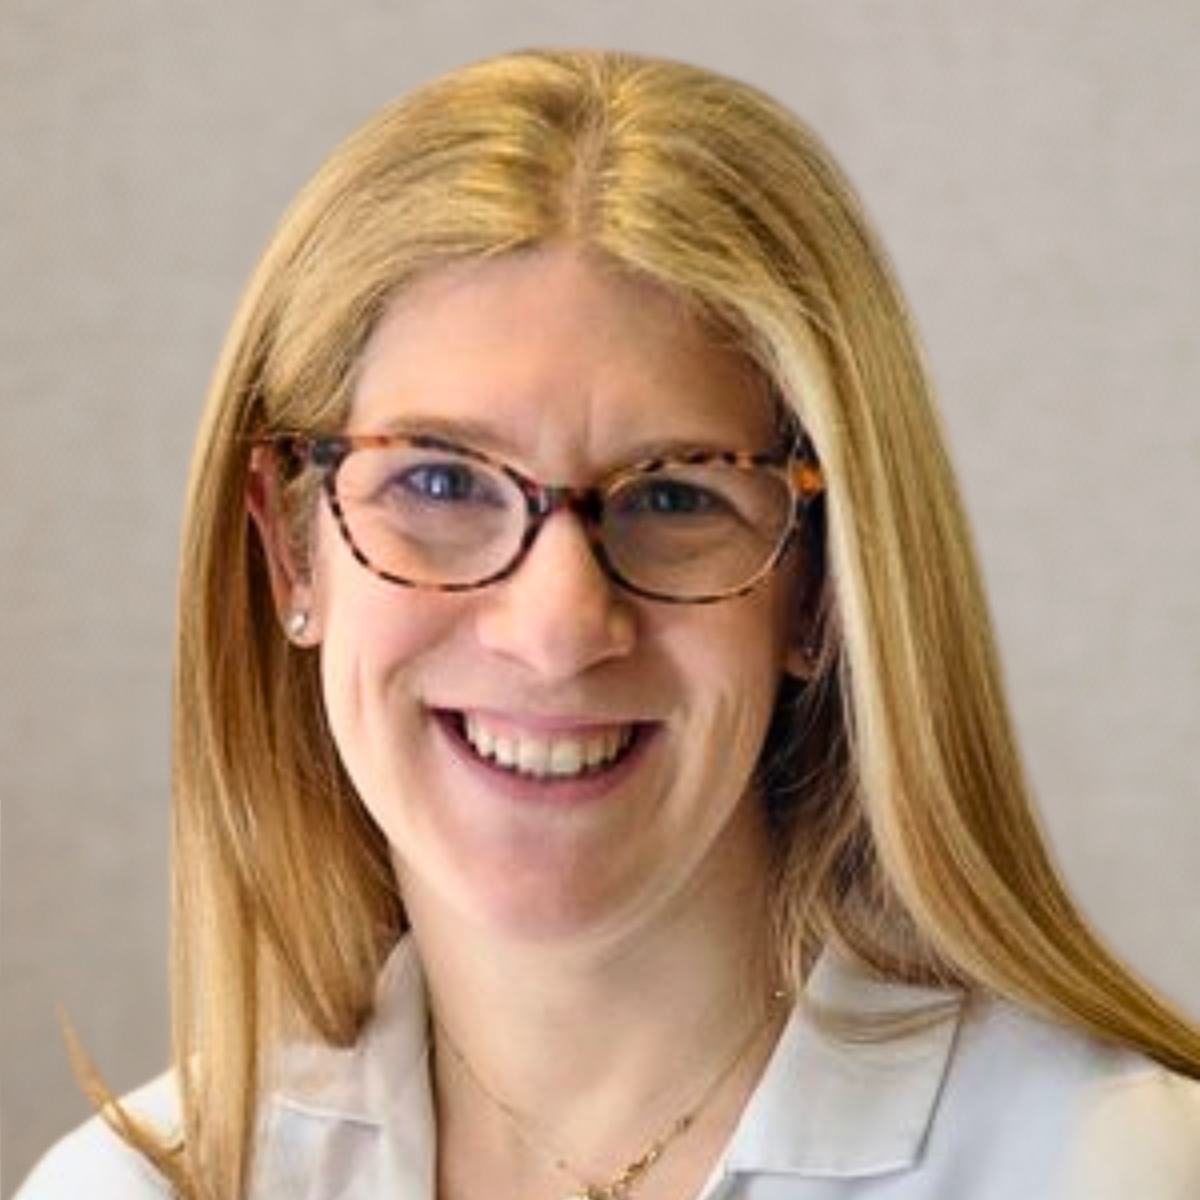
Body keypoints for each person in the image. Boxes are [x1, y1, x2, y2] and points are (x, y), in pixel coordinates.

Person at [16, 48, 1200, 1200]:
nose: (558, 628)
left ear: (823, 588)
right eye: (438, 483)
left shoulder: (1111, 1171)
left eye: (678, 495)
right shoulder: (129, 1188)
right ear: (291, 551)